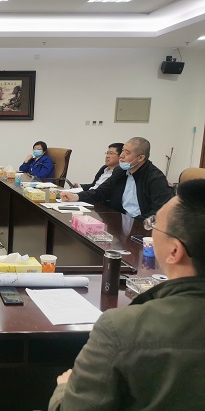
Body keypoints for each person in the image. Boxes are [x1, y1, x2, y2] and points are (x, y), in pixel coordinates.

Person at [49, 178, 205, 411]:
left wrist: (64, 388)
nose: (151, 228)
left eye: (154, 223)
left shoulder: (122, 328)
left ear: (174, 251)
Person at [61, 137, 172, 219]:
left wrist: (135, 223)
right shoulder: (120, 171)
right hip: (120, 220)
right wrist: (76, 196)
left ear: (140, 158)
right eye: (123, 150)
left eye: (127, 153)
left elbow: (161, 212)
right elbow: (101, 192)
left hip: (142, 226)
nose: (121, 156)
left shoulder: (155, 178)